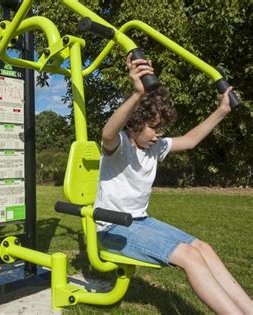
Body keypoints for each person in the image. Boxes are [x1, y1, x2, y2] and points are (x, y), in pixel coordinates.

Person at [95, 54, 252, 314]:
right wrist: (136, 93)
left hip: (139, 221)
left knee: (203, 248)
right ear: (135, 122)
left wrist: (222, 110)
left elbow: (190, 140)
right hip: (112, 228)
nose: (159, 135)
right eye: (154, 127)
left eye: (161, 129)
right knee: (189, 257)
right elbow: (107, 133)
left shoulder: (154, 148)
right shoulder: (120, 146)